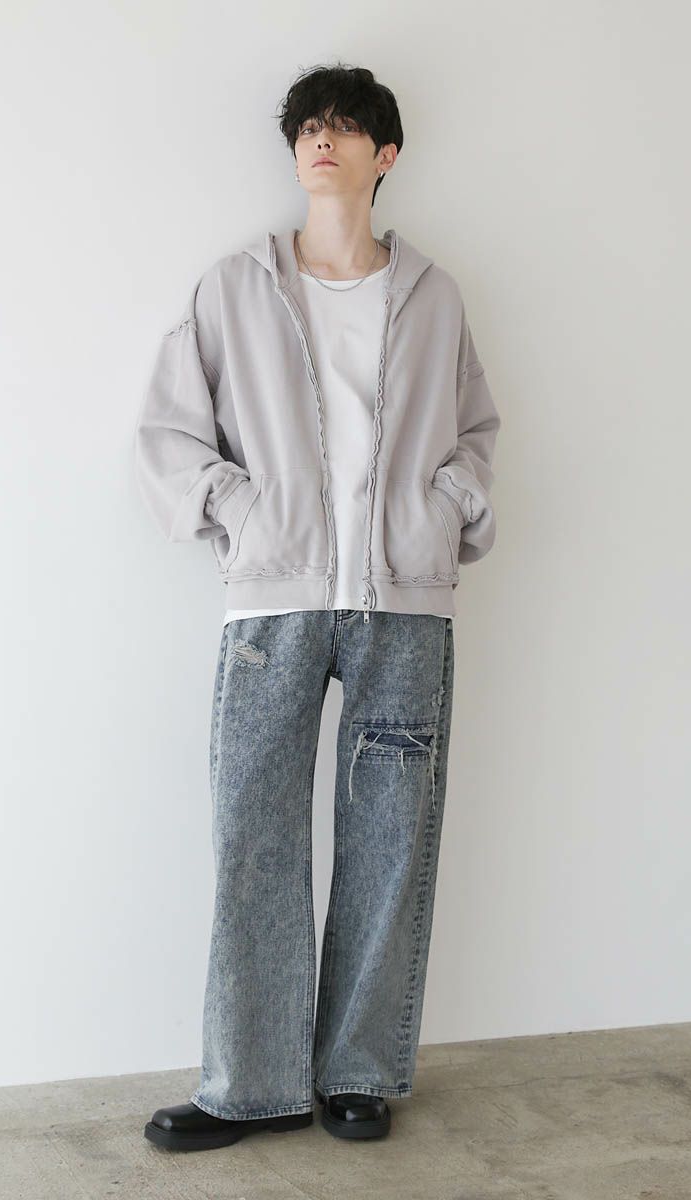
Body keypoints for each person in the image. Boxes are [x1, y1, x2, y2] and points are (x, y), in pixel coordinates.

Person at [135, 62, 501, 1152]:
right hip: (274, 602)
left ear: (385, 155)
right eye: (306, 129)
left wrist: (442, 510)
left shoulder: (434, 295)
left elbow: (476, 435)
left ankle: (358, 1074)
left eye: (342, 128)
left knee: (390, 842)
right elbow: (167, 436)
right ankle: (249, 1087)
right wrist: (240, 510)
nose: (319, 142)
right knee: (254, 839)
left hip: (403, 606)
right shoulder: (234, 288)